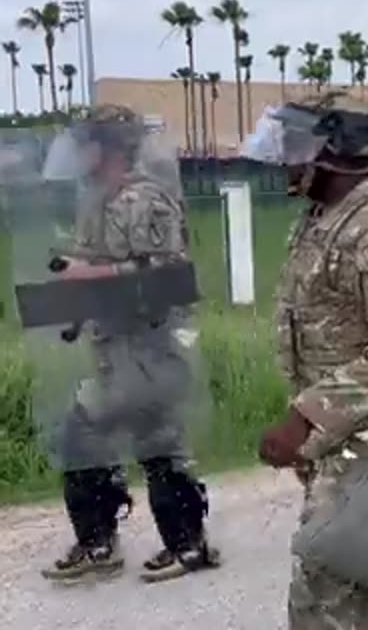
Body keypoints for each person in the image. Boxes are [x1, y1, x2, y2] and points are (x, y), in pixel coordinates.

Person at [245, 92, 368, 628]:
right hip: (340, 440)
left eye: (296, 145)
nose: (287, 158)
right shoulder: (322, 217)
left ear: (334, 149)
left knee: (323, 596)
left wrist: (306, 417)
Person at [25, 106, 218, 584]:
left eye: (86, 141)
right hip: (114, 347)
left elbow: (166, 273)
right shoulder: (99, 198)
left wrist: (89, 274)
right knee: (127, 439)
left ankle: (173, 544)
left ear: (108, 147)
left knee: (136, 439)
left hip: (151, 347)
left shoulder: (144, 198)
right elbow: (104, 259)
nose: (77, 152)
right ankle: (124, 542)